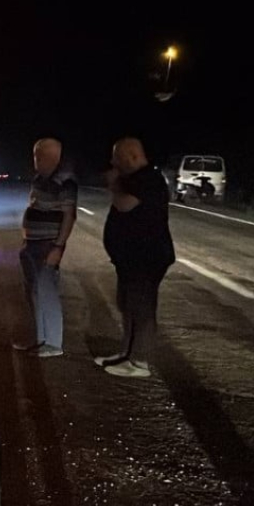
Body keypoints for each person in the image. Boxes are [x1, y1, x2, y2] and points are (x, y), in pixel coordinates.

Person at [96, 137, 175, 378]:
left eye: (117, 157)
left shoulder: (148, 179)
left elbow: (124, 205)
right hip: (132, 258)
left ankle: (139, 362)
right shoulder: (136, 178)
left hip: (146, 257)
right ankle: (126, 354)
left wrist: (113, 184)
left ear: (132, 156)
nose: (112, 162)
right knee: (127, 304)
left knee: (141, 309)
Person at [15, 138, 77, 358]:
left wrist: (58, 247)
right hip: (31, 243)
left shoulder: (65, 182)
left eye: (38, 155)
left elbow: (69, 216)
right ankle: (40, 339)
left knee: (46, 292)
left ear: (51, 156)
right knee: (33, 292)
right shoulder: (39, 179)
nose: (35, 160)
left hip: (47, 245)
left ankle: (53, 343)